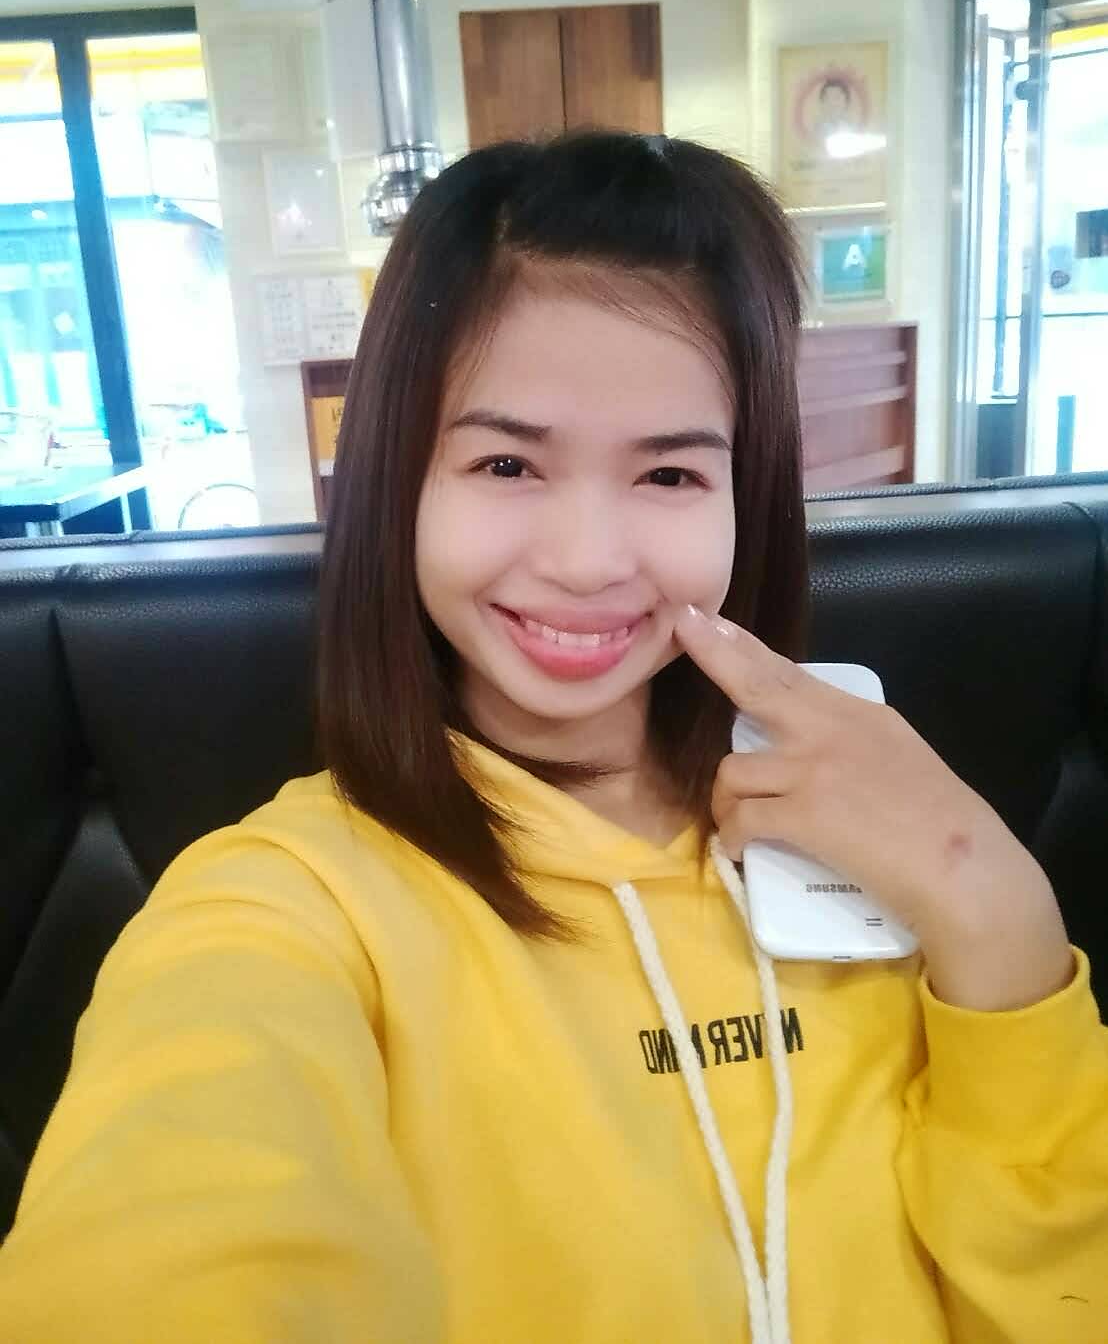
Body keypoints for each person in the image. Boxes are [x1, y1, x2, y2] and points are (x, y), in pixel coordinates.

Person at [0, 132, 1104, 1343]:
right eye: (506, 462)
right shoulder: (288, 903)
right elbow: (180, 1226)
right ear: (399, 484)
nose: (586, 560)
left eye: (670, 476)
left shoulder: (877, 825)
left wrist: (985, 897)